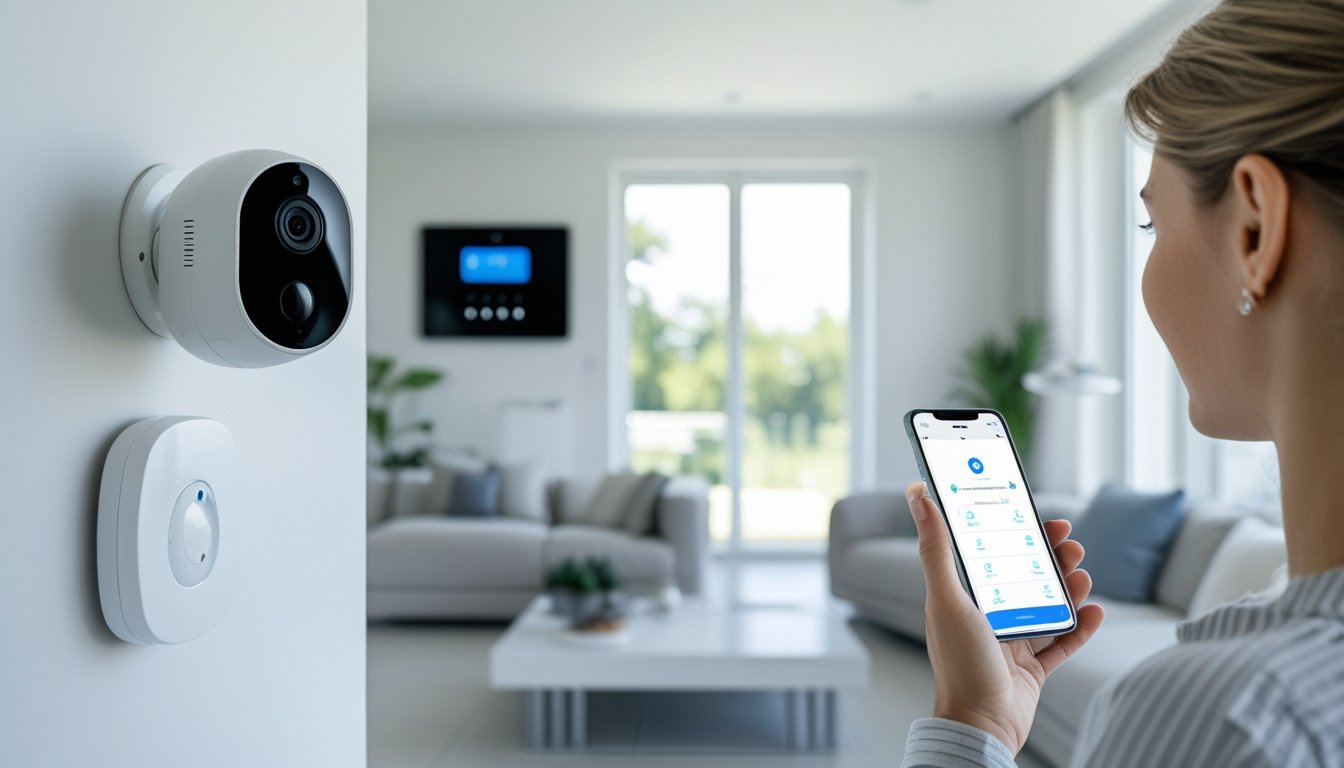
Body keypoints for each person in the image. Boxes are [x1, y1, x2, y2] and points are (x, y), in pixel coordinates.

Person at [899, 1, 1344, 765]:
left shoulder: (1224, 718)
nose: (1148, 264)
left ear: (1255, 229)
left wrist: (969, 723)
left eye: (1152, 225)